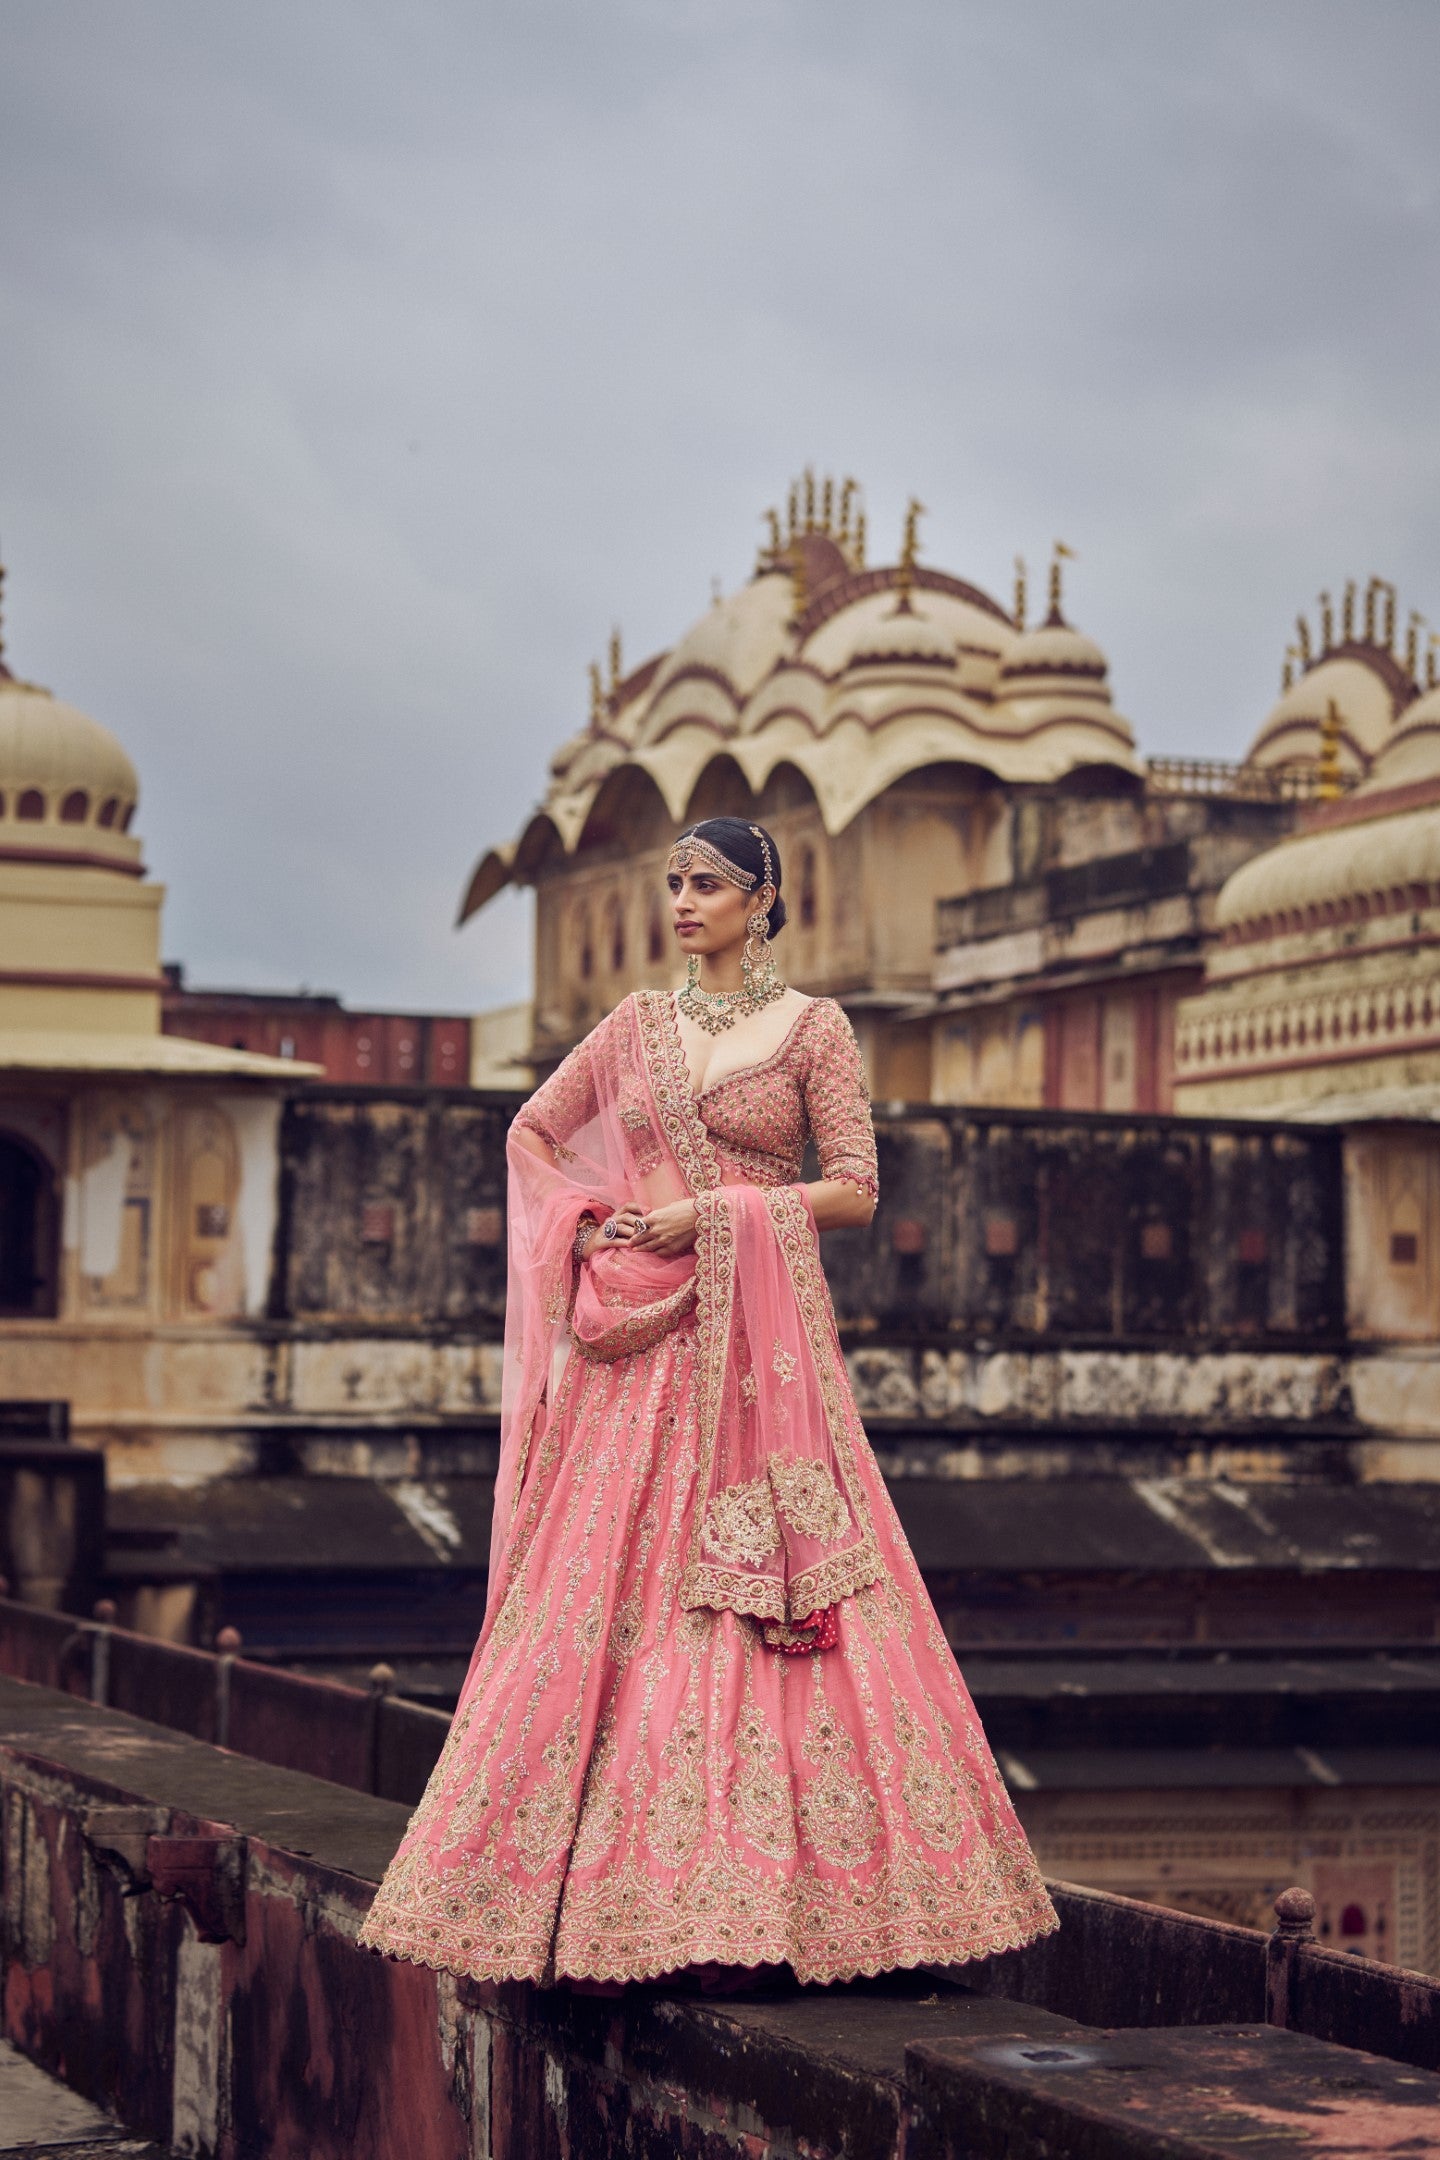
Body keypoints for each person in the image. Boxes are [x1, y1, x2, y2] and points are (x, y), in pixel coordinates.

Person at [358, 816, 1056, 1985]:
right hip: (636, 1352)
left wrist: (716, 1216)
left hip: (762, 1356)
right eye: (674, 883)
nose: (684, 902)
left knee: (771, 1603)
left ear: (763, 900)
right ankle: (586, 1896)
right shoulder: (632, 1028)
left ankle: (781, 1902)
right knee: (599, 1600)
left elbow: (856, 1190)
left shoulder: (814, 1030)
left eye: (709, 884)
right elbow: (534, 1133)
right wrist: (596, 1227)